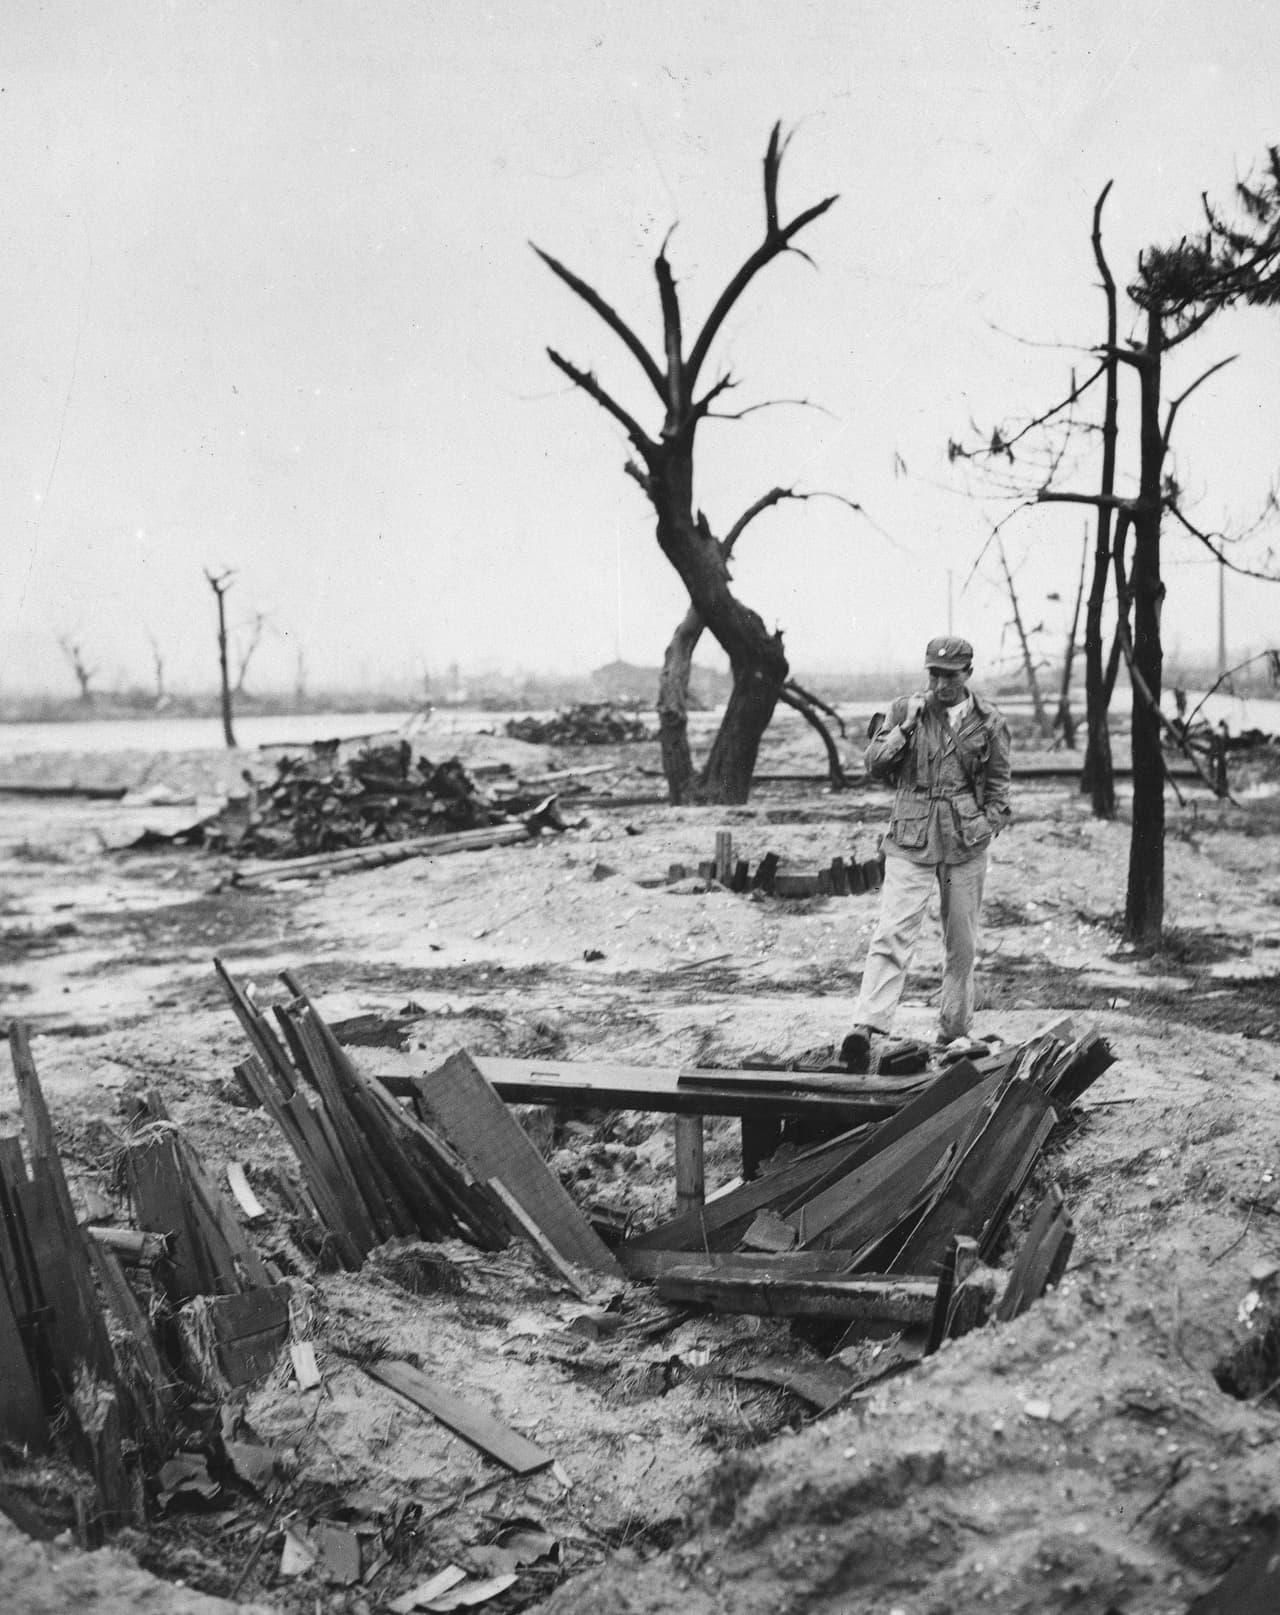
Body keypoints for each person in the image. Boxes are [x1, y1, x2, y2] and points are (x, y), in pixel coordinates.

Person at [842, 634, 1011, 1071]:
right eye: (934, 674)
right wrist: (905, 728)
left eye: (950, 676)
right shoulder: (904, 710)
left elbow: (999, 789)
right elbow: (874, 764)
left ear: (967, 674)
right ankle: (868, 1026)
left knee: (961, 942)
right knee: (893, 931)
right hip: (911, 836)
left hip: (964, 843)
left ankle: (955, 1030)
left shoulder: (990, 721)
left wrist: (984, 826)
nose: (940, 684)